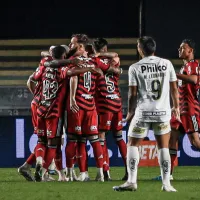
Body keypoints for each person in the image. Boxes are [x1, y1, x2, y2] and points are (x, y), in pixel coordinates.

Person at [113, 36, 179, 192]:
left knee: (132, 144)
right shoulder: (166, 64)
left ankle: (131, 181)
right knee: (163, 147)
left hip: (143, 113)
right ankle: (166, 184)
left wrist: (130, 112)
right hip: (162, 113)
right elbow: (174, 88)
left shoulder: (135, 67)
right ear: (154, 48)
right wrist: (176, 107)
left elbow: (132, 93)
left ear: (140, 49)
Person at [153, 39, 200, 181]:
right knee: (171, 140)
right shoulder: (183, 66)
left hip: (190, 108)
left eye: (182, 48)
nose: (179, 50)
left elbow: (193, 80)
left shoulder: (193, 64)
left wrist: (173, 75)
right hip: (179, 109)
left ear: (190, 50)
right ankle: (168, 174)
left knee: (194, 141)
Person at [93, 38, 127, 181]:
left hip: (103, 103)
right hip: (117, 102)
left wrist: (96, 56)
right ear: (105, 48)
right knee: (119, 137)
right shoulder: (115, 60)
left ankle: (105, 171)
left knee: (101, 137)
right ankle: (129, 170)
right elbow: (116, 56)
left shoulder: (95, 61)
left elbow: (97, 62)